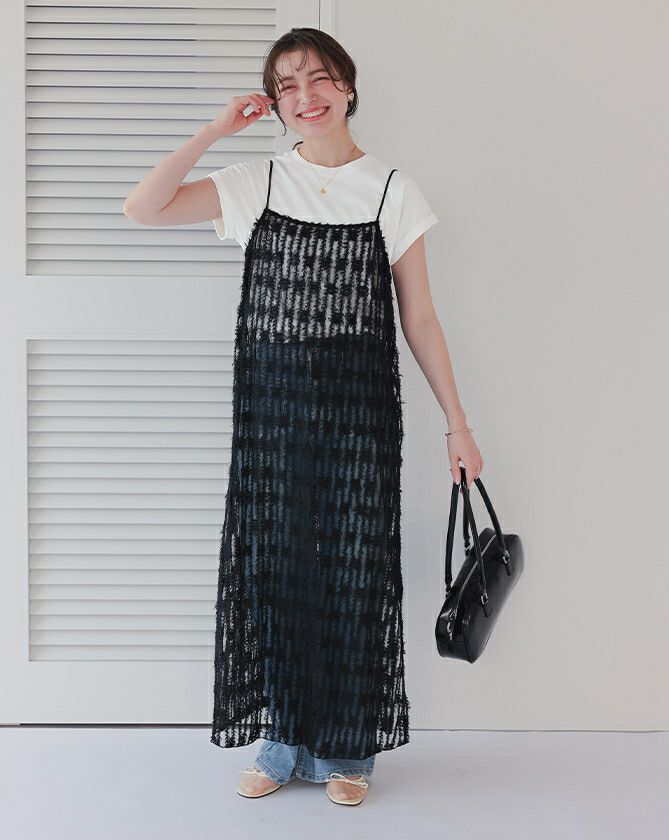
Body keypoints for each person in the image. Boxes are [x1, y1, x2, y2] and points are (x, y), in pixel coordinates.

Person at [123, 27, 483, 808]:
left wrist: (457, 423)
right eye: (286, 85)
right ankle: (283, 739)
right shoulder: (257, 180)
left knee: (353, 571)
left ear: (347, 86)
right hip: (274, 411)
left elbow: (420, 318)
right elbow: (143, 207)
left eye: (318, 78)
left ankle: (349, 746)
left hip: (358, 410)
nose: (305, 96)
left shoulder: (391, 190)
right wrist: (215, 131)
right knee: (278, 572)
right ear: (275, 103)